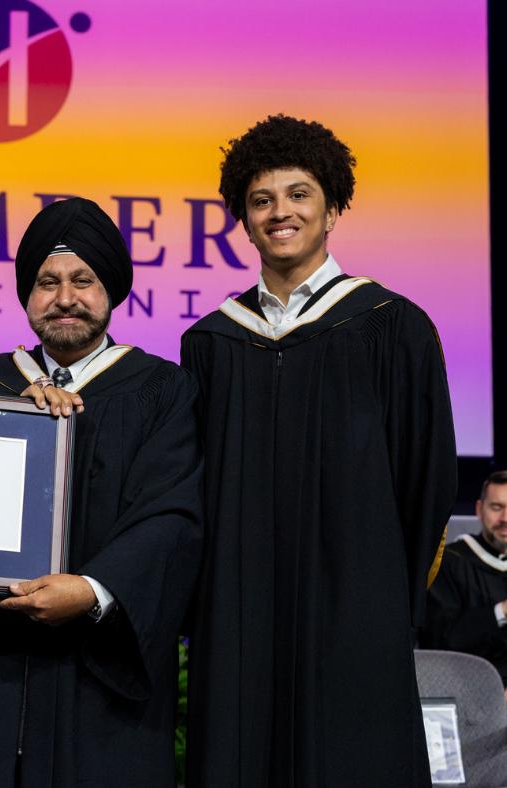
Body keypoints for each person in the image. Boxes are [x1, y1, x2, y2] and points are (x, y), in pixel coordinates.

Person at [180, 115, 457, 787]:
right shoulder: (211, 344)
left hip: (354, 608)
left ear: (332, 210)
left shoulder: (392, 327)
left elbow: (424, 482)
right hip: (239, 614)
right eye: (261, 200)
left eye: (299, 194)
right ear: (245, 222)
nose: (281, 212)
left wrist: (378, 594)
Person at [0, 197, 202, 786]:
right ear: (28, 295)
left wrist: (93, 589)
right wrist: (7, 420)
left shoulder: (161, 390)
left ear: (111, 290)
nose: (65, 297)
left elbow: (172, 516)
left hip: (98, 681)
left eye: (83, 280)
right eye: (47, 282)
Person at [423, 471, 507, 688]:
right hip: (470, 690)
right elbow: (439, 638)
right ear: (479, 509)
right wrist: (500, 612)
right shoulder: (450, 562)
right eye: (496, 507)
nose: (505, 518)